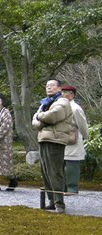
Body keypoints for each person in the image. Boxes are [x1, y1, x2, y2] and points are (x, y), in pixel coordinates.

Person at [32, 79, 76, 213]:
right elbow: (34, 122)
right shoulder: (45, 103)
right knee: (45, 171)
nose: (48, 88)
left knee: (55, 172)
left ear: (59, 88)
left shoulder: (62, 101)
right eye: (47, 86)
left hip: (56, 140)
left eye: (52, 85)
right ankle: (51, 200)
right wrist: (40, 119)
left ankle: (59, 203)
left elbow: (52, 117)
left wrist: (39, 117)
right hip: (44, 138)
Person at [61, 85, 90, 194]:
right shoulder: (59, 106)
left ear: (72, 95)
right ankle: (62, 188)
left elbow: (82, 124)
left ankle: (72, 188)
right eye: (62, 93)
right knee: (61, 164)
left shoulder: (76, 108)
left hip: (74, 137)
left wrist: (86, 136)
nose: (63, 95)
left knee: (72, 164)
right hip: (61, 138)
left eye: (65, 93)